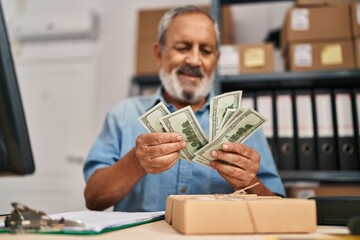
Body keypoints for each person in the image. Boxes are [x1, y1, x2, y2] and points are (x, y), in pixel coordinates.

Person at [83, 5, 285, 212]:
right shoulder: (123, 115)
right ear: (159, 54)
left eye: (206, 51)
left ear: (216, 61)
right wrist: (135, 162)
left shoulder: (240, 122)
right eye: (183, 48)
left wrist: (248, 182)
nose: (195, 60)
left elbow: (278, 208)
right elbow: (93, 199)